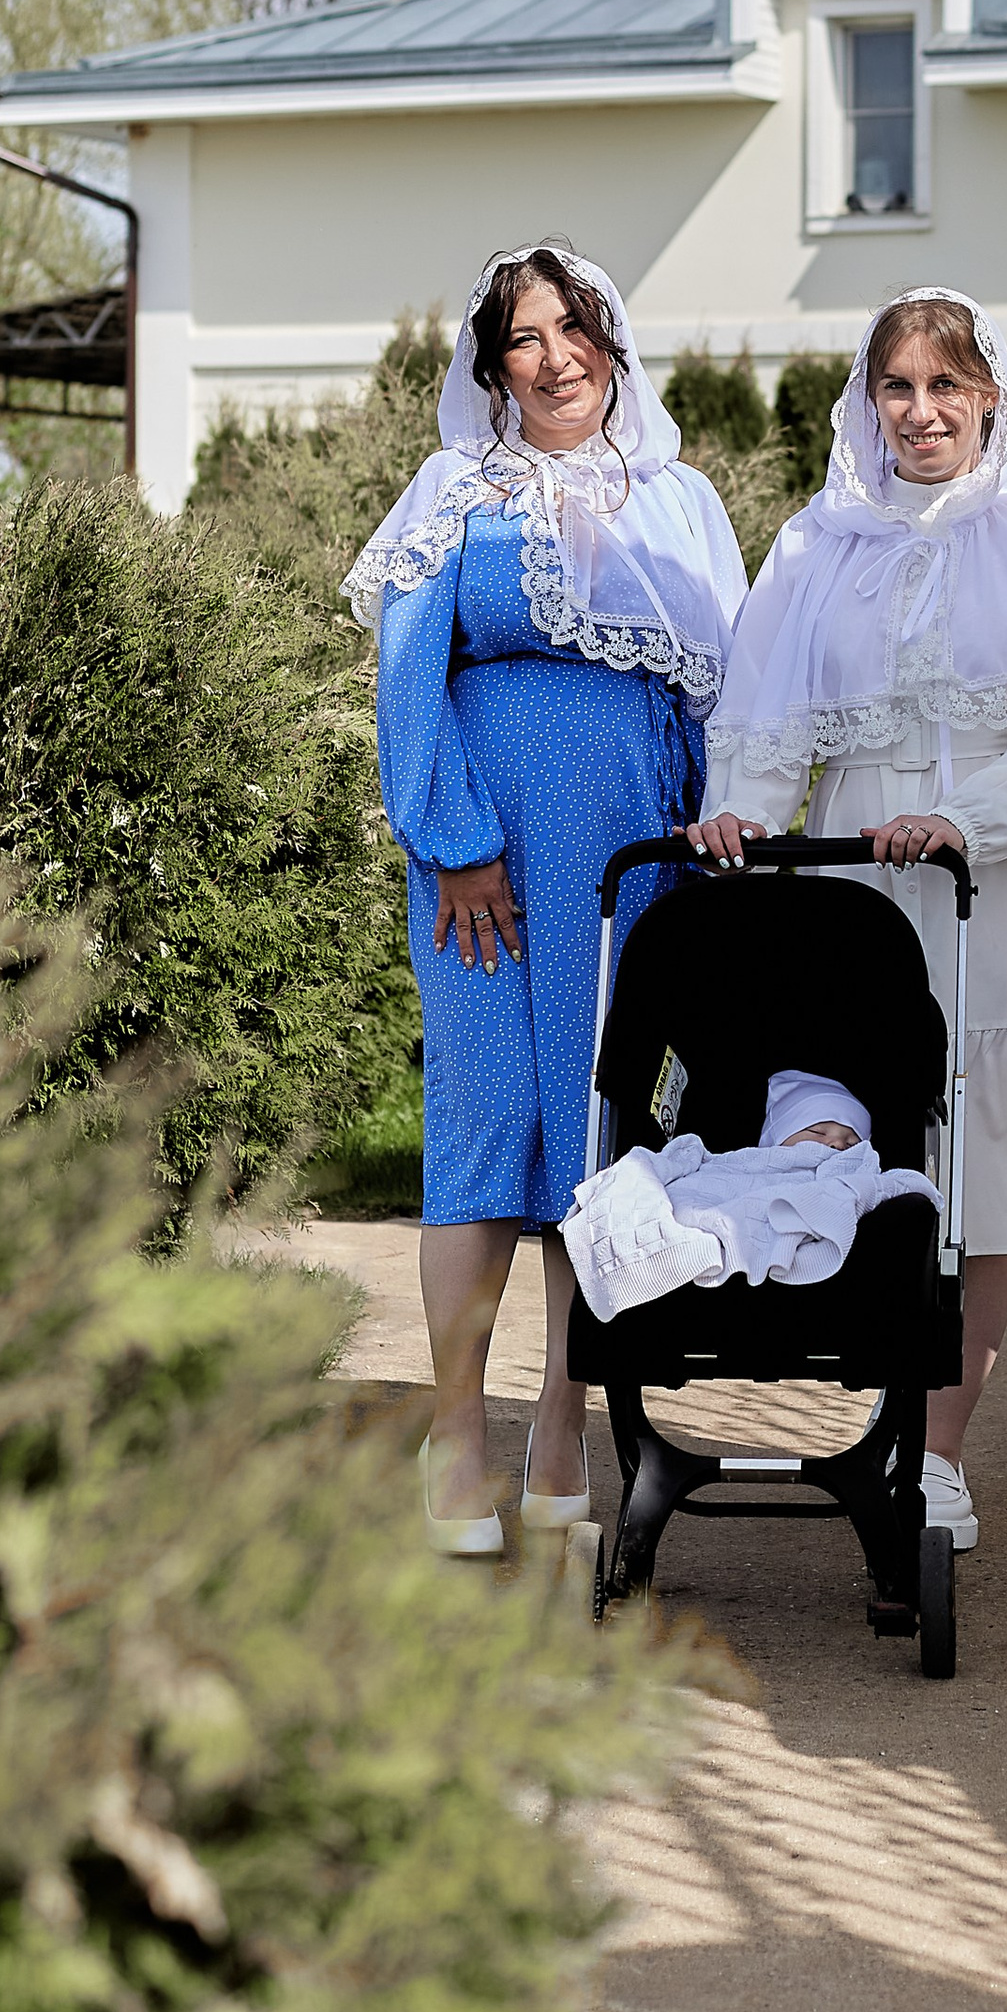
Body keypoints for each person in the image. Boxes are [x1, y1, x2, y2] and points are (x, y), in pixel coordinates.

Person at [687, 288, 1007, 1548]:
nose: (920, 412)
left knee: (986, 1176)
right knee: (851, 1129)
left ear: (989, 395)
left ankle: (938, 1453)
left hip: (1000, 874)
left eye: (945, 387)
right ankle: (849, 1404)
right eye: (897, 388)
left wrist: (972, 817)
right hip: (855, 882)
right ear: (868, 401)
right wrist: (737, 813)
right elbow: (761, 716)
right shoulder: (815, 545)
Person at [346, 245, 747, 1552]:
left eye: (577, 329)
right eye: (527, 337)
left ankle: (563, 1425)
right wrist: (452, 839)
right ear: (492, 364)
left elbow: (725, 694)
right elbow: (409, 678)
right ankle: (458, 1437)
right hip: (487, 866)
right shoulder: (453, 490)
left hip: (635, 855)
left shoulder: (679, 500)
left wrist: (708, 833)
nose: (558, 356)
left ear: (614, 345)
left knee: (599, 1131)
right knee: (485, 1127)